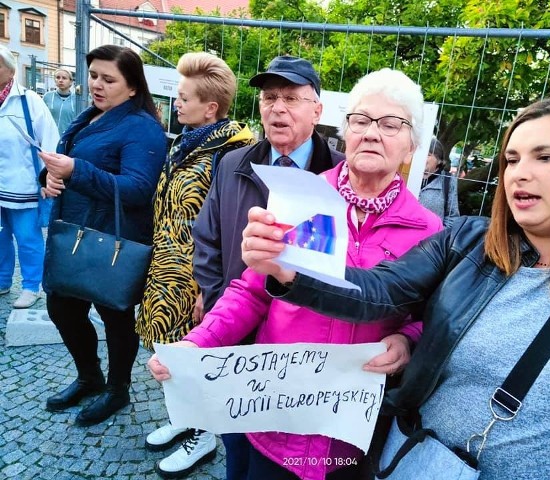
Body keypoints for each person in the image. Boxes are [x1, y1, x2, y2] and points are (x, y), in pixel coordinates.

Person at [241, 94, 550, 480]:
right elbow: (380, 290)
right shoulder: (465, 243)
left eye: (546, 156)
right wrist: (290, 272)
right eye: (512, 159)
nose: (520, 172)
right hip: (416, 463)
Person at [148, 67, 444, 480]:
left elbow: (428, 318)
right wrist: (199, 343)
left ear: (412, 144)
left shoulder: (427, 229)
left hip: (349, 430)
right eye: (361, 121)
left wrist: (407, 341)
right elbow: (252, 292)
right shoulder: (303, 198)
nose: (372, 133)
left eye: (391, 124)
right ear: (346, 132)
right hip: (275, 415)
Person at [143, 54, 345, 480]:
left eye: (292, 97)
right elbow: (208, 238)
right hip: (237, 328)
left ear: (317, 109)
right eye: (270, 97)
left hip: (302, 338)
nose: (278, 108)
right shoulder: (235, 164)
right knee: (235, 431)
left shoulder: (340, 174)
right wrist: (216, 298)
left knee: (291, 443)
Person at [134, 51, 255, 477]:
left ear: (212, 108)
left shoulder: (228, 154)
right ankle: (184, 418)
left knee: (198, 357)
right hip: (167, 266)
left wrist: (209, 288)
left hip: (197, 276)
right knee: (168, 354)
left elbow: (226, 225)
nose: (176, 104)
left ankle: (203, 436)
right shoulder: (187, 142)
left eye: (184, 98)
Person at [39, 45, 166, 427]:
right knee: (61, 307)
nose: (96, 84)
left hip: (113, 241)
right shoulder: (92, 116)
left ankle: (118, 387)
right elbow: (65, 169)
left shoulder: (142, 127)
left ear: (131, 87)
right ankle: (89, 376)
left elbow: (138, 189)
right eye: (93, 75)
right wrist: (48, 179)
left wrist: (76, 170)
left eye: (108, 79)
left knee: (115, 316)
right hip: (73, 234)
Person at [0, 44, 59, 309]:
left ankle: (31, 286)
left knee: (27, 238)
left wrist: (49, 178)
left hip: (22, 185)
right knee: (0, 237)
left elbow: (50, 142)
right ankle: (2, 281)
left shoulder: (28, 101)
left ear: (7, 69)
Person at [418, 137, 460, 227]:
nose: (422, 158)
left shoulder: (448, 180)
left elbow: (452, 217)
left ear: (439, 160)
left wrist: (439, 237)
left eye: (428, 154)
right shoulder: (407, 176)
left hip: (432, 239)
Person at [43, 68, 77, 135]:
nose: (60, 80)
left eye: (64, 78)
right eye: (58, 77)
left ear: (70, 82)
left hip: (68, 138)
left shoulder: (76, 99)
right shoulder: (47, 96)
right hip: (50, 137)